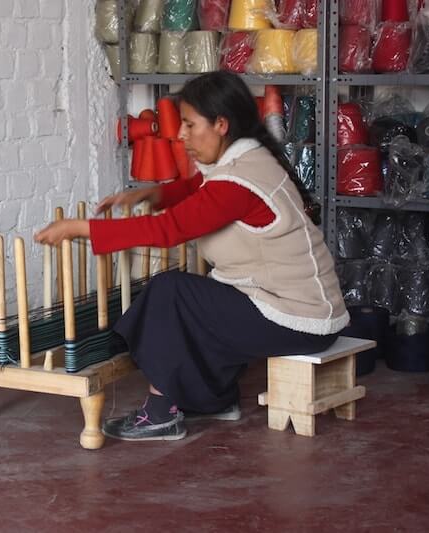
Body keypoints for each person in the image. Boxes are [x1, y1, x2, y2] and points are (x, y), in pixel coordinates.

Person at [34, 71, 348, 442]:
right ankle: (216, 401)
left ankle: (160, 413)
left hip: (297, 318)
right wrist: (150, 195)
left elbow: (168, 231)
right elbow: (199, 186)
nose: (181, 136)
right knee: (199, 296)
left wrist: (79, 228)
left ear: (220, 124)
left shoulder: (237, 182)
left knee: (171, 293)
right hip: (304, 307)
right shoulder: (250, 158)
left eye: (189, 125)